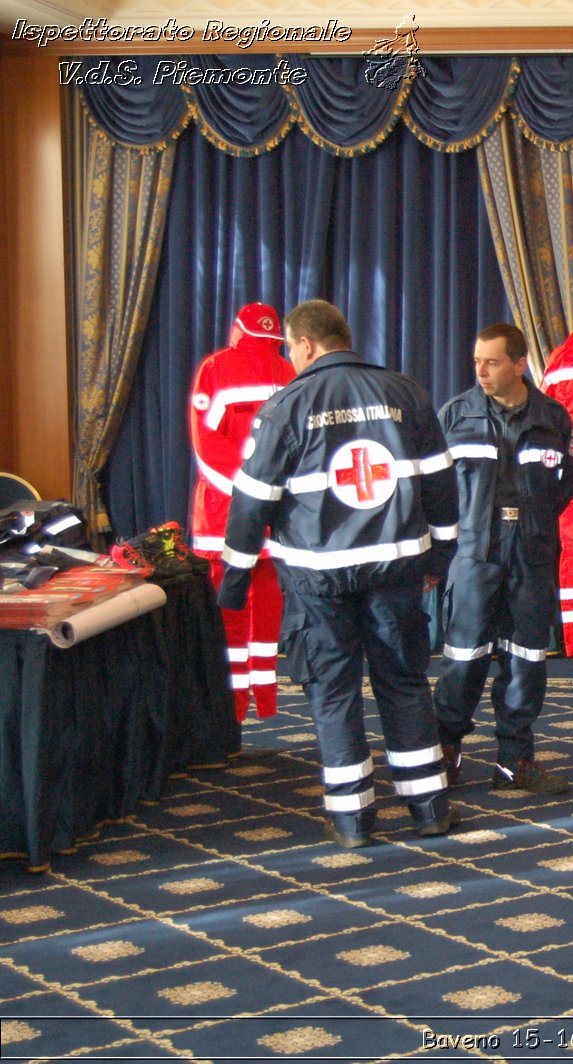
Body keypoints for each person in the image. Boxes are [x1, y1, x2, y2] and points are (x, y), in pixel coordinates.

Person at [218, 299, 460, 849]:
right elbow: (444, 489)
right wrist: (440, 560)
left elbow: (251, 502)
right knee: (403, 683)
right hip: (396, 570)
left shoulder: (284, 407)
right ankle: (429, 809)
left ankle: (352, 821)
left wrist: (234, 583)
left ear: (304, 345)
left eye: (289, 348)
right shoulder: (407, 394)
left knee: (333, 691)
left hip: (317, 580)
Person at [435, 323, 573, 796]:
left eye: (492, 362)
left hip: (531, 552)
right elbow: (432, 490)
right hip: (474, 552)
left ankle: (514, 761)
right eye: (477, 361)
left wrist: (532, 522)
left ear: (520, 365)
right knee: (464, 658)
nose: (481, 371)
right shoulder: (455, 416)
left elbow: (566, 483)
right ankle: (446, 750)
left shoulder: (554, 418)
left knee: (525, 661)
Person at [188, 302, 296, 720]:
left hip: (224, 510)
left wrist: (243, 494)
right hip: (273, 509)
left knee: (229, 601)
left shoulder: (215, 368)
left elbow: (205, 445)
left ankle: (233, 704)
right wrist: (271, 494)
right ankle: (265, 699)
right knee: (269, 601)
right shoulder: (287, 372)